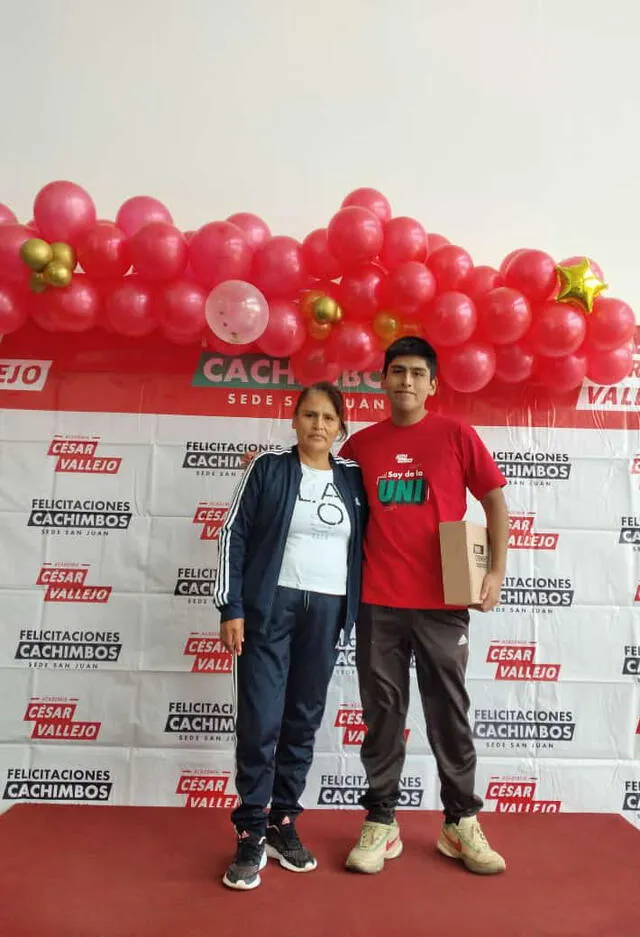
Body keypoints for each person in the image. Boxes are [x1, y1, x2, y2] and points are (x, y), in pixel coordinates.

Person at [340, 336, 509, 877]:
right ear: (383, 381)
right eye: (396, 372)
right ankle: (382, 822)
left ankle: (460, 823)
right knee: (383, 715)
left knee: (448, 712)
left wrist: (496, 571)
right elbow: (325, 500)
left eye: (416, 373)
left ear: (432, 384)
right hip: (378, 604)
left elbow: (494, 500)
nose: (406, 381)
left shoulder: (457, 435)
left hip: (443, 604)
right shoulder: (360, 447)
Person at [214, 382, 366, 891]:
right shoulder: (268, 468)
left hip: (327, 612)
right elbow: (232, 533)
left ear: (341, 426)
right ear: (294, 420)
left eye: (327, 417)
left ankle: (283, 823)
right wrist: (231, 606)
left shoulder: (353, 479)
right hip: (268, 608)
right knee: (260, 718)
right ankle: (251, 830)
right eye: (308, 415)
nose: (317, 425)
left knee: (302, 719)